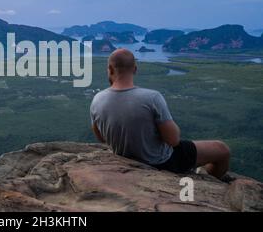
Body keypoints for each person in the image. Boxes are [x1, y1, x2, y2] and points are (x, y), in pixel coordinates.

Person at [90, 49, 231, 180]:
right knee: (222, 150)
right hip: (162, 162)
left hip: (123, 158)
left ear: (110, 69)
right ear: (135, 69)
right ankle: (210, 181)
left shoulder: (97, 99)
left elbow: (101, 138)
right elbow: (173, 140)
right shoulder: (152, 97)